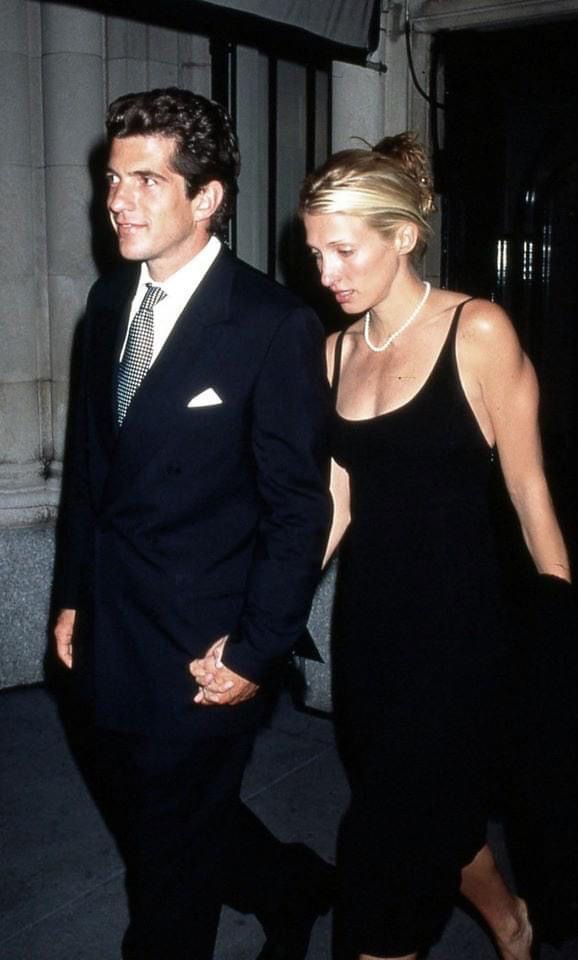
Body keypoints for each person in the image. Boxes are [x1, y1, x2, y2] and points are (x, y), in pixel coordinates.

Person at [53, 87, 333, 960]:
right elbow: (90, 470)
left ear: (207, 196)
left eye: (146, 180)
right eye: (113, 177)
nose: (118, 199)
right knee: (158, 821)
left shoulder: (271, 324)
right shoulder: (107, 304)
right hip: (107, 627)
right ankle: (291, 886)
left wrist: (255, 650)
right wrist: (71, 595)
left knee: (165, 881)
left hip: (202, 647)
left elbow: (299, 507)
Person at [299, 133, 571, 960]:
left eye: (344, 250)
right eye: (315, 254)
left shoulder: (478, 329)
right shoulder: (335, 352)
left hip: (461, 632)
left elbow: (529, 490)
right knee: (433, 814)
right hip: (368, 630)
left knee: (384, 845)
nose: (327, 273)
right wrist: (264, 612)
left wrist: (561, 631)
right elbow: (336, 503)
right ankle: (511, 921)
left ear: (404, 236)